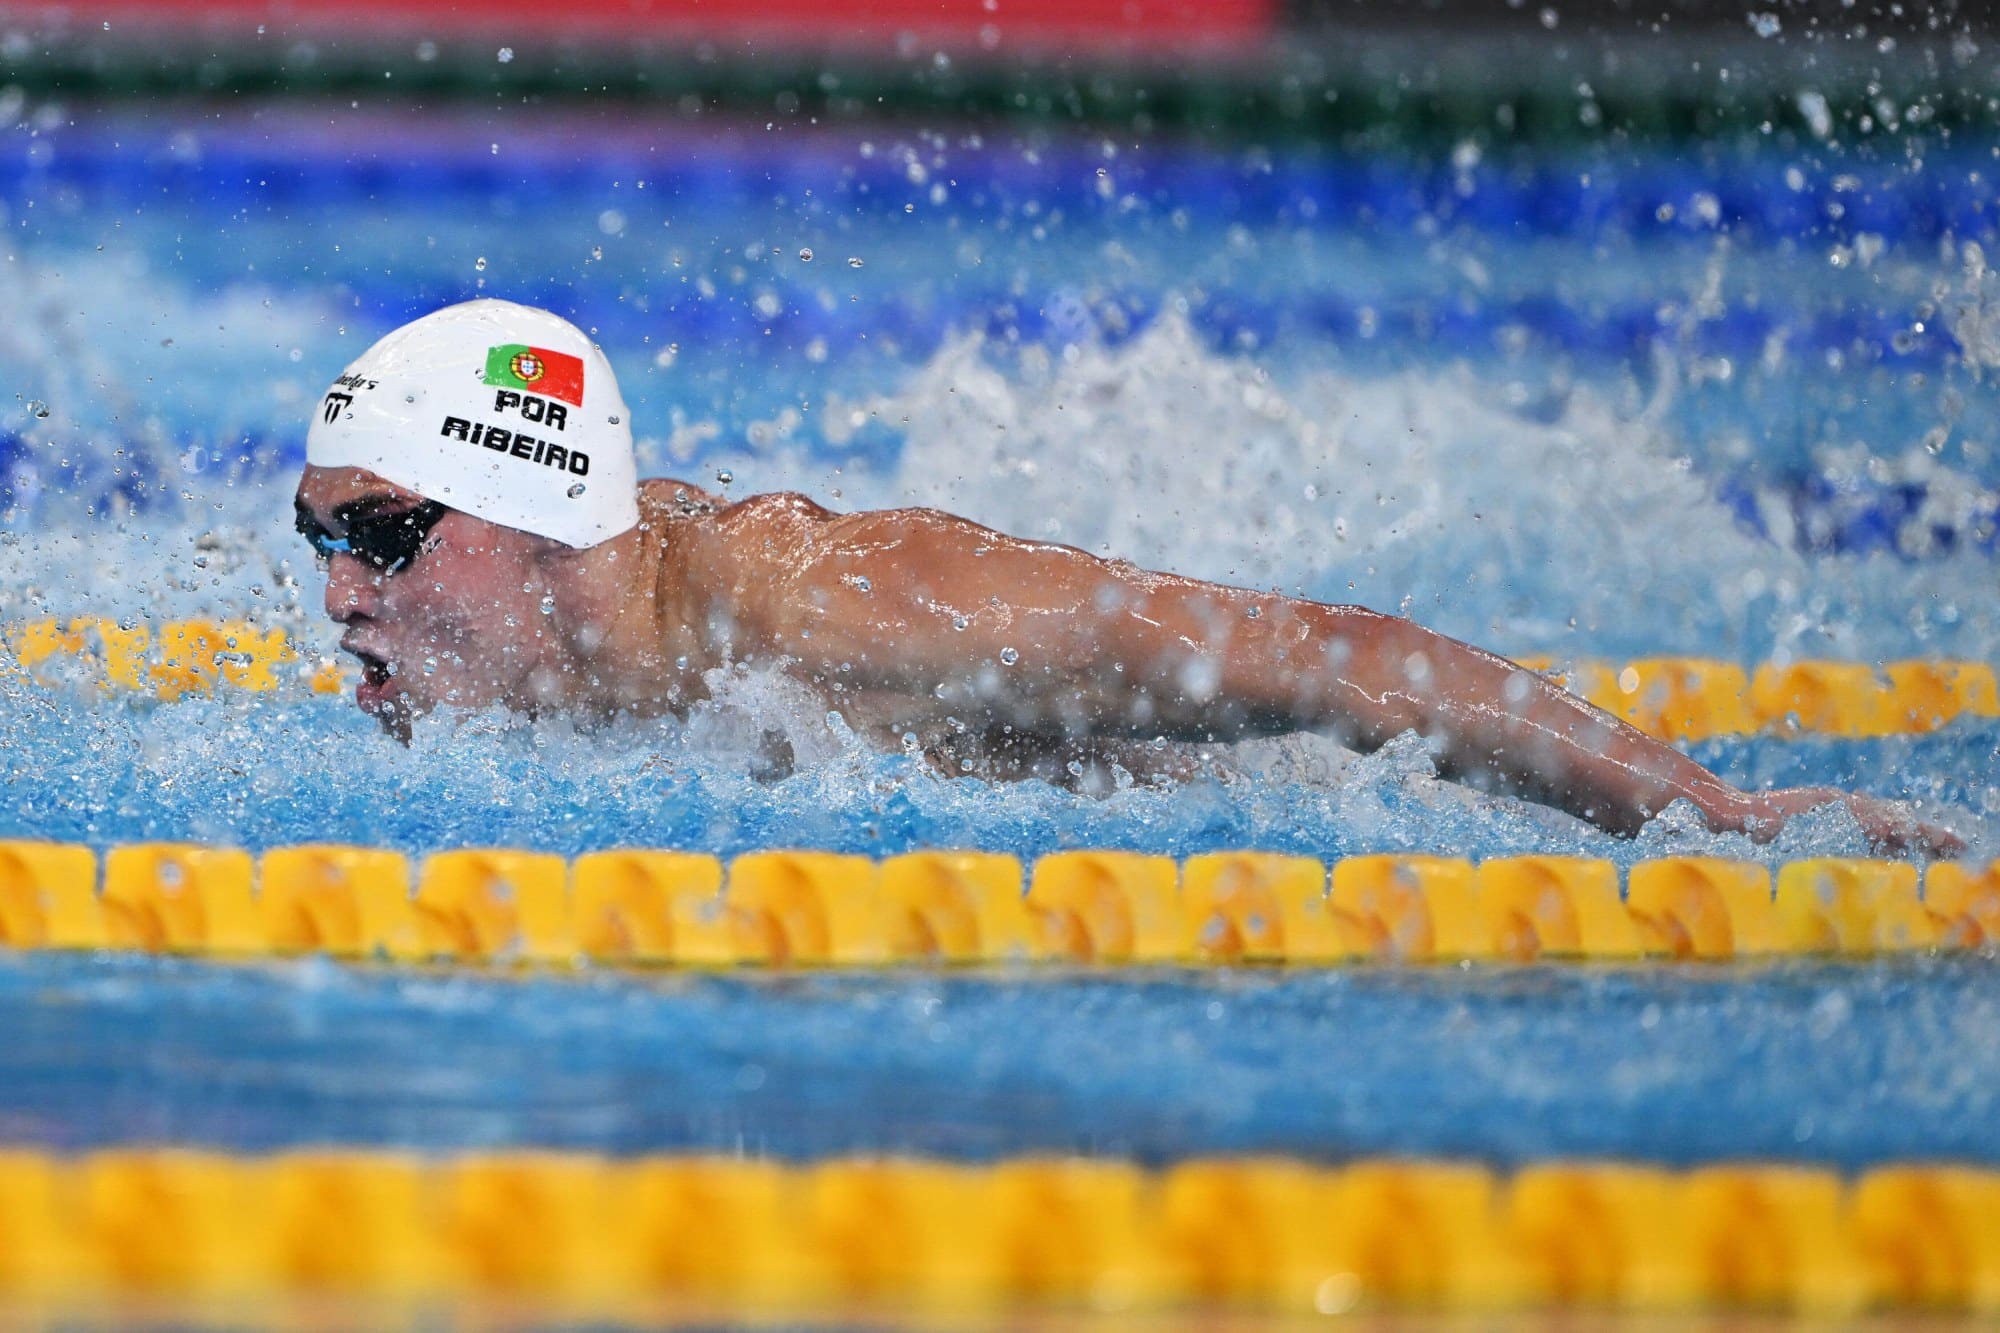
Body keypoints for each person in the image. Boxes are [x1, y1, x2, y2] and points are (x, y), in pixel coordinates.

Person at [295, 299, 1960, 855]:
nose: (336, 597)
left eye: (377, 538)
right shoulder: (494, 670)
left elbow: (1329, 656)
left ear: (533, 520)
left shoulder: (846, 612)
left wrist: (1718, 815)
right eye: (321, 540)